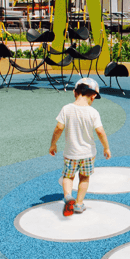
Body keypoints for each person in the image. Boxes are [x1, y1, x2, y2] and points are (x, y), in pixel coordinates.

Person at [49, 77, 111, 216]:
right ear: (93, 95)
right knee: (84, 178)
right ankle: (78, 204)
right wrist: (106, 148)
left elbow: (58, 128)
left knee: (68, 177)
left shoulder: (66, 109)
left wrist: (53, 144)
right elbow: (100, 131)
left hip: (71, 153)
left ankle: (67, 196)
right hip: (88, 154)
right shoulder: (93, 112)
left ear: (74, 92)